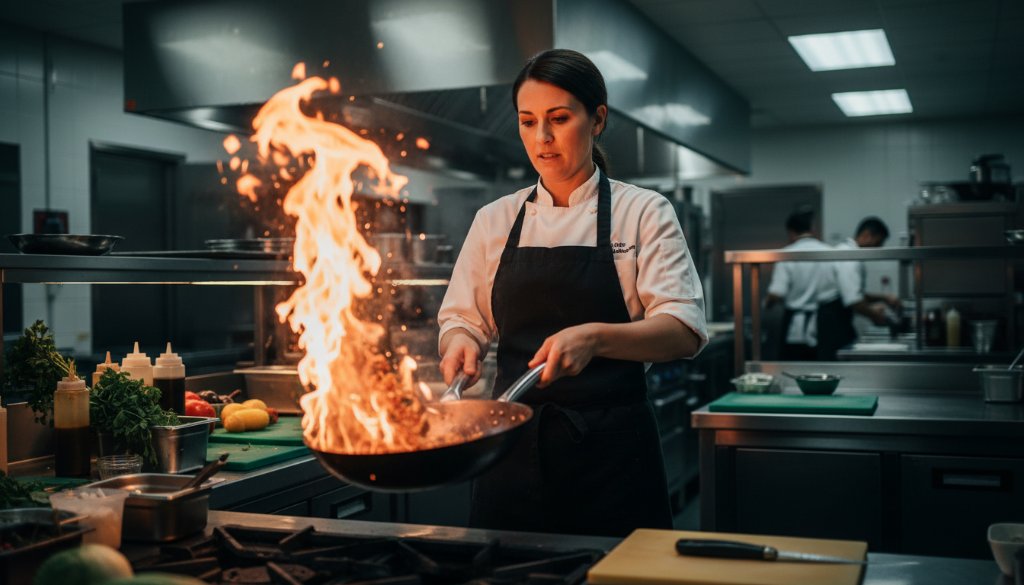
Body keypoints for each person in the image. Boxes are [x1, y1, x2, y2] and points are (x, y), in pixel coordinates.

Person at [436, 49, 708, 537]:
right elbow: (463, 319)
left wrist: (596, 338)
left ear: (597, 118)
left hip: (614, 454)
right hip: (511, 449)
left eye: (559, 119)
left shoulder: (643, 211)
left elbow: (683, 330)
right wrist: (461, 342)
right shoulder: (495, 219)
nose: (541, 138)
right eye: (527, 121)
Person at [817, 216, 900, 360]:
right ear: (867, 235)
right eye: (879, 242)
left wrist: (884, 298)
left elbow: (855, 293)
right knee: (835, 362)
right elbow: (853, 300)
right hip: (833, 320)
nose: (879, 248)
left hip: (835, 316)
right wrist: (875, 315)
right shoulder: (849, 257)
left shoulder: (847, 252)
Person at [765, 208, 838, 361]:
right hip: (825, 323)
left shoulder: (786, 254)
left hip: (795, 323)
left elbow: (777, 292)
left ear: (791, 232)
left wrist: (767, 303)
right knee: (822, 368)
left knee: (794, 369)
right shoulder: (829, 252)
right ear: (812, 229)